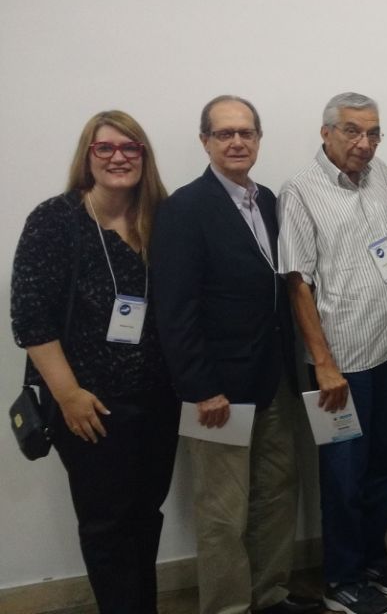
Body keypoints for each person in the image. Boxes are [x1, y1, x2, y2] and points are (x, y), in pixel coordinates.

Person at [151, 96, 317, 614]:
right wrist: (200, 388)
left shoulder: (268, 201)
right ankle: (227, 607)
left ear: (259, 139)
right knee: (222, 512)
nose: (237, 142)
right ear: (205, 141)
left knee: (276, 495)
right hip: (218, 391)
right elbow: (174, 310)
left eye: (246, 132)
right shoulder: (184, 209)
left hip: (273, 381)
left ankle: (270, 596)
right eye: (225, 134)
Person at [10, 111, 178, 613]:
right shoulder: (56, 221)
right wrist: (68, 396)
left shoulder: (161, 218)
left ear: (144, 157)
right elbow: (30, 318)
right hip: (90, 405)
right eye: (105, 148)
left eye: (130, 148)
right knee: (107, 524)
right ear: (88, 157)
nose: (118, 158)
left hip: (157, 399)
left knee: (146, 514)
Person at [278, 92, 387, 614]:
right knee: (343, 475)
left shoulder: (380, 176)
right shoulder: (300, 191)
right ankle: (341, 579)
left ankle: (373, 562)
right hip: (342, 364)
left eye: (373, 132)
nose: (364, 142)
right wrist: (324, 364)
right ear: (326, 132)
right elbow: (298, 284)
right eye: (353, 131)